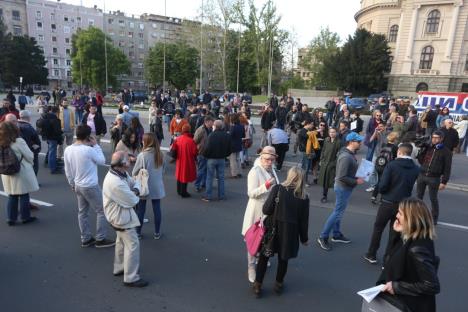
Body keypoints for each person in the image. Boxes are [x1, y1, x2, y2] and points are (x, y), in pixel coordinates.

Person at [252, 167, 309, 298]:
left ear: (289, 176)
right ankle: (278, 284)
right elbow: (303, 221)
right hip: (290, 233)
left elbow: (266, 210)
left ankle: (258, 284)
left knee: (264, 257)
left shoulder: (278, 189)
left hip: (273, 229)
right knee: (284, 258)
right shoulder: (304, 197)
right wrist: (304, 238)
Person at [377, 198, 440, 312]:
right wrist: (397, 232)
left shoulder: (417, 249)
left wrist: (396, 287)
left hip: (410, 305)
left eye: (400, 213)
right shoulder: (411, 238)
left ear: (412, 219)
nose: (396, 216)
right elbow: (393, 257)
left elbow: (432, 285)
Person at [364, 143, 420, 264]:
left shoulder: (392, 165)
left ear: (400, 152)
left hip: (387, 202)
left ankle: (371, 254)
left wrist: (383, 193)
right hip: (403, 205)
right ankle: (387, 260)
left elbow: (383, 185)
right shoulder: (416, 168)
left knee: (378, 228)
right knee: (395, 233)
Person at [64, 124, 115, 248]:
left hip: (78, 185)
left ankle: (85, 238)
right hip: (90, 185)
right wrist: (96, 145)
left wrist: (71, 183)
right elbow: (102, 161)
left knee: (82, 212)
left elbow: (68, 169)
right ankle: (100, 238)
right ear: (88, 136)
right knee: (102, 210)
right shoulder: (88, 150)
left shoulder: (68, 149)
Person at [103, 151, 148, 288]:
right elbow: (133, 200)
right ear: (122, 164)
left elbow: (132, 182)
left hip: (116, 214)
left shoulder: (119, 173)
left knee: (121, 241)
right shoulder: (116, 182)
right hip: (120, 216)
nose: (131, 162)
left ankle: (119, 267)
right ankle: (131, 277)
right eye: (128, 161)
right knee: (132, 244)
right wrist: (137, 189)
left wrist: (135, 186)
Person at [317, 132, 365, 251]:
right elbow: (341, 177)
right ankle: (323, 236)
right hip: (343, 188)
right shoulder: (346, 157)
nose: (360, 143)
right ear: (351, 142)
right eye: (358, 141)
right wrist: (356, 181)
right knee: (337, 212)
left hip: (345, 188)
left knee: (339, 211)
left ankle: (336, 234)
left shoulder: (349, 153)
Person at [241, 146, 279, 283]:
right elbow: (251, 193)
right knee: (253, 239)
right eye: (267, 159)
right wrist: (266, 186)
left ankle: (259, 259)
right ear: (261, 158)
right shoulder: (255, 171)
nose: (270, 162)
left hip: (268, 212)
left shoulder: (272, 169)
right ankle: (251, 267)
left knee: (265, 238)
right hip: (256, 211)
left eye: (272, 159)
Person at [0, 121, 39, 226]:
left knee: (12, 195)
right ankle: (25, 217)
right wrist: (30, 164)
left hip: (6, 171)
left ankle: (11, 218)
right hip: (20, 170)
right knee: (24, 194)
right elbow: (29, 156)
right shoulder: (18, 141)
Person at [132, 133, 165, 240]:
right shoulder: (160, 154)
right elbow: (163, 170)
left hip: (143, 185)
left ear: (146, 142)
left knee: (141, 209)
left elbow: (134, 172)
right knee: (157, 209)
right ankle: (157, 232)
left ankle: (138, 232)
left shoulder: (142, 155)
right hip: (157, 185)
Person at [416, 130, 452, 224]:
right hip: (422, 175)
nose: (434, 140)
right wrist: (421, 151)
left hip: (434, 178)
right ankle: (416, 214)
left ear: (441, 139)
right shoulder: (428, 148)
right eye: (433, 137)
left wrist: (444, 181)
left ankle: (434, 218)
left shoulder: (446, 152)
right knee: (418, 197)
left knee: (433, 198)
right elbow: (421, 161)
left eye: (436, 138)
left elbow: (447, 168)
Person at [202, 120, 232, 202]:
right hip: (221, 158)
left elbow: (207, 148)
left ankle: (208, 196)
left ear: (215, 126)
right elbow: (230, 149)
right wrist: (225, 155)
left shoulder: (211, 135)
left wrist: (205, 155)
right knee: (221, 178)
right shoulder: (227, 135)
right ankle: (221, 196)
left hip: (211, 159)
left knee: (209, 177)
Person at [171, 124, 197, 198]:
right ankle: (183, 192)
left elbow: (173, 149)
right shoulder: (191, 141)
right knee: (185, 176)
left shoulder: (178, 139)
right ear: (189, 130)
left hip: (179, 160)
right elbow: (195, 152)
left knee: (179, 175)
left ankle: (179, 190)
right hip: (187, 160)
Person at [318, 128, 341, 203]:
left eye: (333, 132)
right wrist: (321, 160)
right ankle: (324, 195)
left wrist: (334, 163)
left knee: (331, 180)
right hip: (324, 163)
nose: (332, 133)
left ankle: (336, 196)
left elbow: (339, 155)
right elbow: (323, 150)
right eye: (330, 132)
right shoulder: (326, 140)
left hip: (332, 164)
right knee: (324, 180)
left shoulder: (338, 142)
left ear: (336, 133)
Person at [193, 116, 214, 192]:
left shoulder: (211, 129)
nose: (213, 123)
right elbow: (195, 140)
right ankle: (197, 184)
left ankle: (203, 183)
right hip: (201, 152)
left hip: (208, 152)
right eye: (212, 122)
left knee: (206, 169)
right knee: (201, 169)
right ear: (207, 122)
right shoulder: (200, 130)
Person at [17, 110, 41, 176]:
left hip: (20, 151)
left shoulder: (17, 125)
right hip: (30, 150)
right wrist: (36, 148)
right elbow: (35, 140)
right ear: (28, 117)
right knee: (33, 167)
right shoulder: (28, 127)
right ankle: (33, 183)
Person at [229, 113, 245, 178]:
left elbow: (230, 136)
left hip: (232, 145)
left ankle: (234, 173)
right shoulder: (241, 126)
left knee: (233, 160)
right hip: (239, 143)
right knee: (238, 159)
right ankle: (239, 172)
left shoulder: (232, 127)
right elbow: (243, 135)